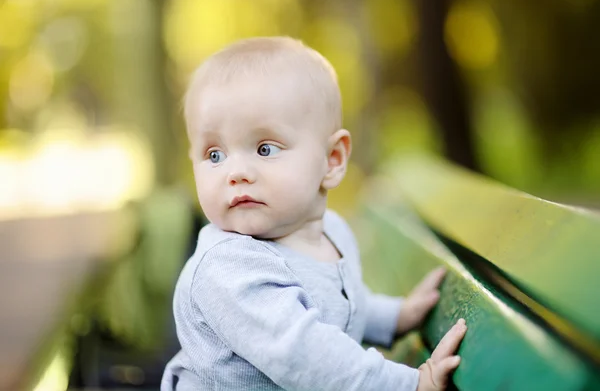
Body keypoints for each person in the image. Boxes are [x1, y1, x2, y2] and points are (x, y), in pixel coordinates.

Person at [161, 36, 467, 391]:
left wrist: (395, 317)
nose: (235, 171)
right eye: (214, 154)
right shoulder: (229, 268)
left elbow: (335, 303)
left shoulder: (331, 232)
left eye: (264, 148)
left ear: (332, 160)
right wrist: (411, 383)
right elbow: (307, 357)